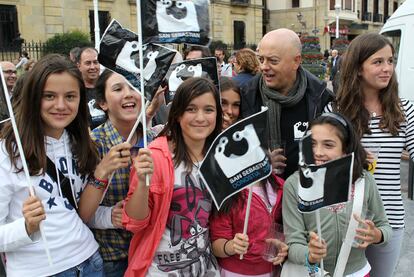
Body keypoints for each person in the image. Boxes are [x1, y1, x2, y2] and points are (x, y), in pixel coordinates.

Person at [0, 54, 105, 276]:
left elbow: (74, 211)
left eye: (70, 96)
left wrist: (113, 215)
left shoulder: (80, 143)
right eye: (49, 96)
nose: (60, 105)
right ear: (33, 97)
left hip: (90, 262)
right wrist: (26, 227)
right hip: (40, 270)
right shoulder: (6, 152)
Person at [327, 32, 414, 277]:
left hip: (389, 220)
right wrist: (350, 156)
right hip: (343, 220)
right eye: (378, 62)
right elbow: (317, 162)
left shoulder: (404, 109)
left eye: (390, 61)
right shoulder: (335, 111)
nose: (387, 68)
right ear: (358, 68)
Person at [122, 77, 222, 276]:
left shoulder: (219, 157)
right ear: (177, 114)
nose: (200, 117)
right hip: (161, 270)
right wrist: (142, 183)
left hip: (204, 268)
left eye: (208, 110)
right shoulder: (156, 157)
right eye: (191, 109)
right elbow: (134, 223)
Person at [283, 112, 392, 276]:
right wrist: (309, 253)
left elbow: (384, 226)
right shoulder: (294, 185)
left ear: (346, 149)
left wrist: (377, 235)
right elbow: (293, 242)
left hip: (357, 272)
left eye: (328, 145)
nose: (318, 152)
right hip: (311, 272)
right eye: (312, 144)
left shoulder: (364, 181)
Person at [90, 69, 164, 277]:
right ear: (103, 103)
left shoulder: (156, 141)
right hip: (113, 259)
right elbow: (77, 208)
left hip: (152, 255)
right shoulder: (92, 145)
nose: (129, 93)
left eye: (133, 86)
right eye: (118, 88)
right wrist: (105, 216)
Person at [241, 28, 334, 179]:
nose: (264, 66)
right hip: (262, 195)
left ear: (296, 61)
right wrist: (262, 162)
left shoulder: (321, 97)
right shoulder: (246, 95)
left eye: (273, 61)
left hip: (306, 192)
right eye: (261, 59)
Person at [77, 47, 106, 129]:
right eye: (88, 63)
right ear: (79, 66)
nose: (92, 67)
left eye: (96, 62)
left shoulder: (108, 87)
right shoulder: (75, 91)